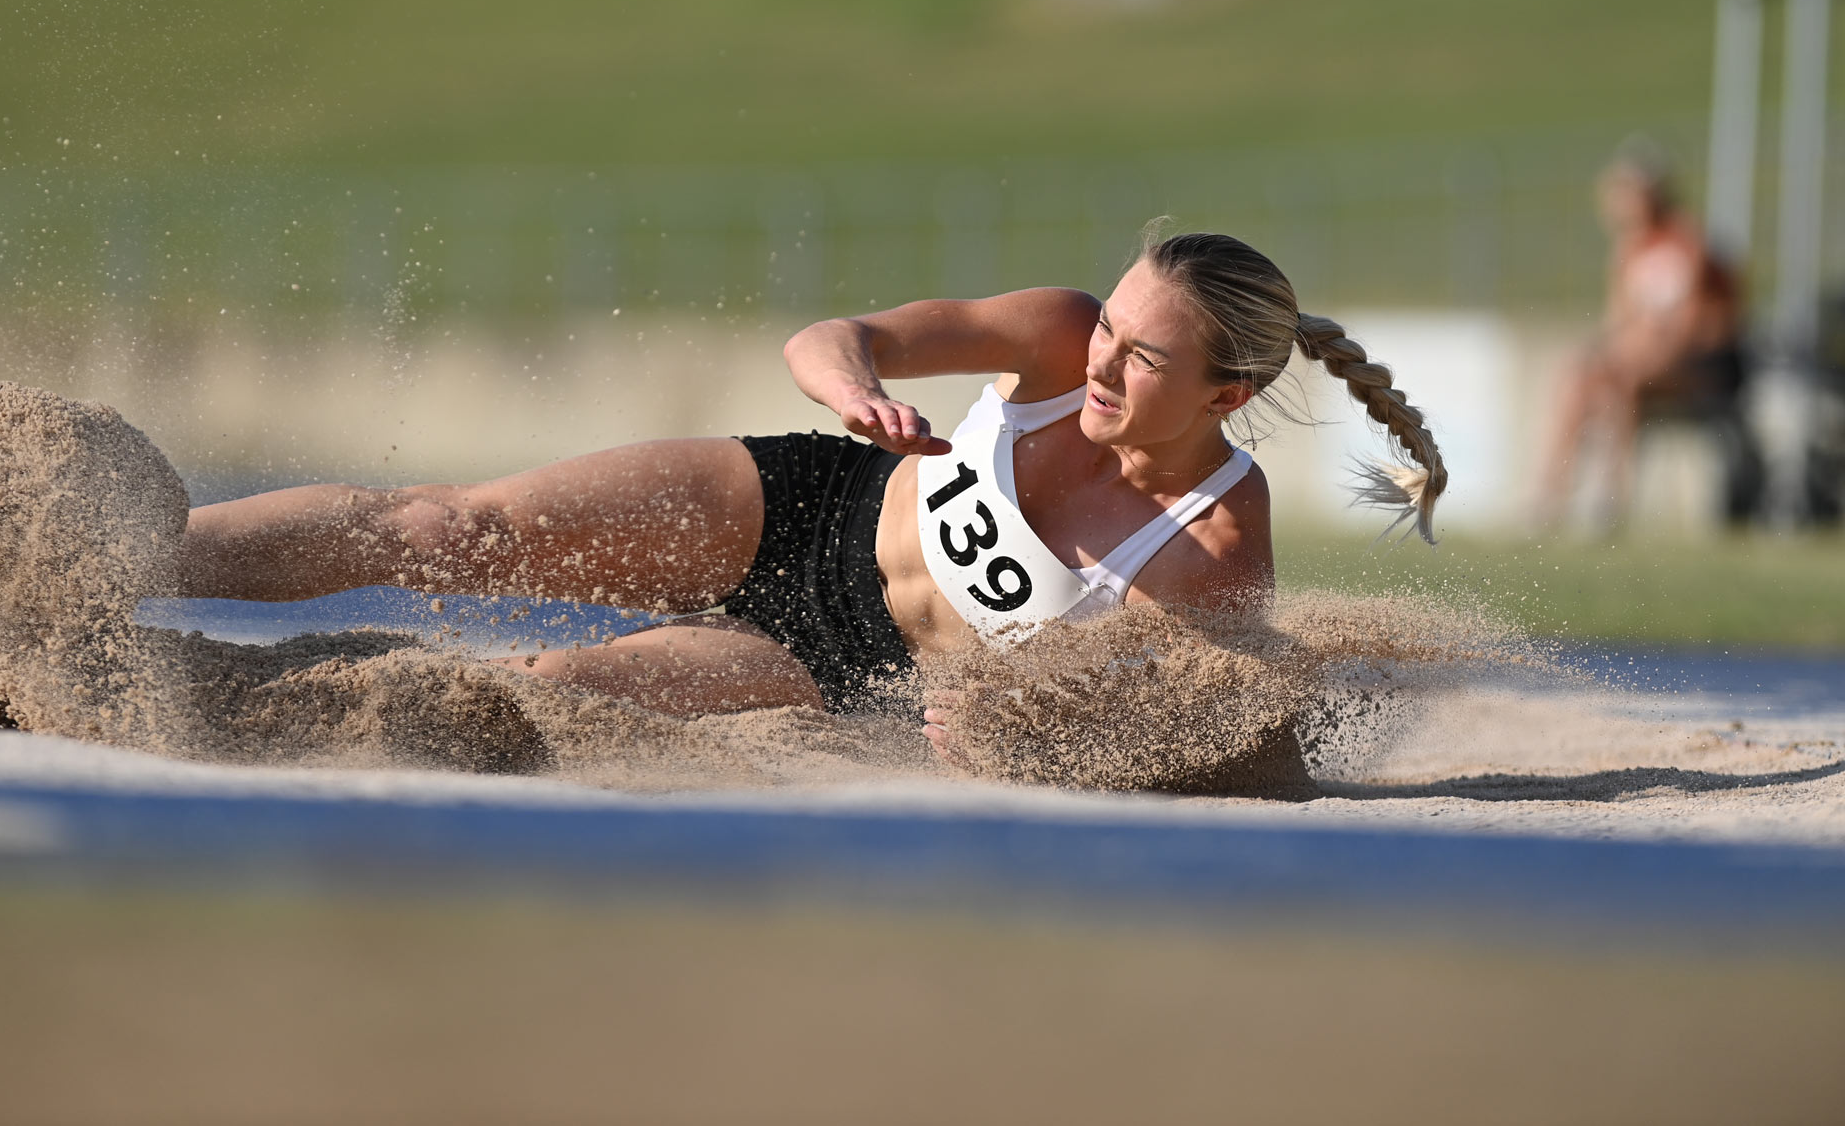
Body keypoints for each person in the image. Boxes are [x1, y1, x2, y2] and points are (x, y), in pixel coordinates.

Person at [178, 225, 1448, 753]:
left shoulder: (1215, 540)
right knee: (450, 529)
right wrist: (852, 392)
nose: (1104, 361)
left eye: (1142, 356)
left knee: (536, 703)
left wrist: (1026, 735)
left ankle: (214, 715)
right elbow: (839, 337)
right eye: (1110, 326)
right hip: (803, 501)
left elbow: (1195, 731)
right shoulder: (1059, 337)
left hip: (848, 669)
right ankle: (116, 544)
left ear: (1224, 398)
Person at [1533, 143, 1748, 530]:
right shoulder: (1628, 250)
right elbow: (1618, 323)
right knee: (1579, 376)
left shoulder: (1686, 242)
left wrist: (1632, 356)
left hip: (1702, 365)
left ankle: (1610, 500)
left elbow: (1692, 326)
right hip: (1648, 361)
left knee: (1622, 378)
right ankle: (1552, 494)